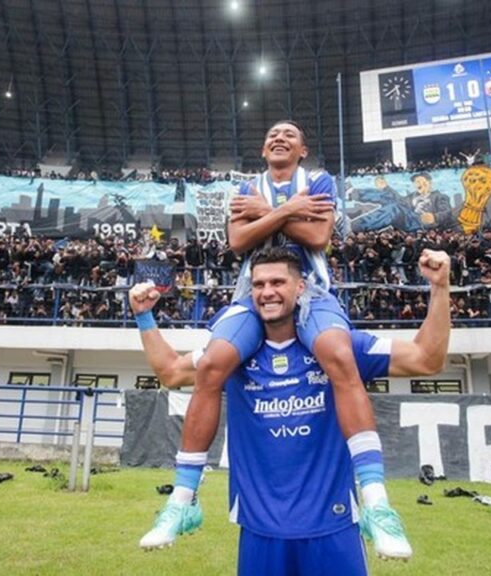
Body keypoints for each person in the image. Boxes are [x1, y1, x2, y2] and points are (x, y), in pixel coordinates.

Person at [149, 120, 408, 557]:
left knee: (338, 353)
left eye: (289, 134)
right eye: (272, 134)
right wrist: (290, 211)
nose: (279, 138)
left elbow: (319, 236)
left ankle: (377, 504)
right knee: (211, 365)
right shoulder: (247, 186)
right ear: (262, 148)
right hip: (254, 295)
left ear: (302, 150)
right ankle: (182, 500)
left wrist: (264, 214)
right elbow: (238, 241)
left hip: (311, 292)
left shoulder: (319, 181)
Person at [131, 246, 452, 573]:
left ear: (301, 287)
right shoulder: (233, 355)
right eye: (259, 285)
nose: (267, 292)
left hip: (334, 525)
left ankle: (377, 506)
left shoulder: (339, 346)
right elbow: (171, 372)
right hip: (260, 529)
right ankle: (182, 500)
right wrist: (144, 316)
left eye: (277, 282)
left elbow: (426, 359)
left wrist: (440, 287)